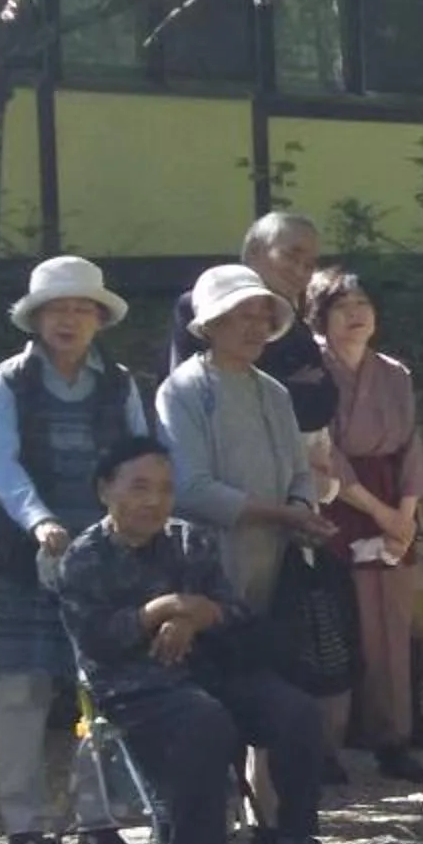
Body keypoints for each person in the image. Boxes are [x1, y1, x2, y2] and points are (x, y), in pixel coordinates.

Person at [56, 437, 331, 844]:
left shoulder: (189, 540)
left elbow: (237, 611)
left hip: (211, 671)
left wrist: (199, 615)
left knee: (296, 711)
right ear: (105, 489)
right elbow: (97, 639)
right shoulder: (85, 558)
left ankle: (296, 841)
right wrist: (160, 609)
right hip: (134, 685)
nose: (154, 500)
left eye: (165, 489)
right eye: (140, 487)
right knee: (204, 719)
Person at [0, 257, 151, 844]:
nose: (68, 320)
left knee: (100, 686)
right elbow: (3, 465)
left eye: (80, 309)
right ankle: (22, 824)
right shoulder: (9, 381)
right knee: (22, 689)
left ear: (98, 318)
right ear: (36, 319)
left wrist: (132, 523)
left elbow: (141, 458)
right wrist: (40, 521)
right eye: (56, 309)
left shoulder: (120, 383)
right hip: (28, 553)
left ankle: (99, 819)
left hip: (104, 554)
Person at [307, 269, 423, 784]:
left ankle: (392, 737)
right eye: (342, 307)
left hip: (392, 493)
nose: (356, 315)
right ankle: (325, 743)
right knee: (336, 621)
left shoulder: (394, 373)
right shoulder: (310, 372)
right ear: (320, 317)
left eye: (363, 304)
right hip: (336, 500)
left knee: (391, 622)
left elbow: (411, 445)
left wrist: (405, 511)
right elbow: (322, 450)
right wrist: (378, 511)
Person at [158, 264, 334, 620]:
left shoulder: (274, 393)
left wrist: (301, 511)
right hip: (208, 562)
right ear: (212, 324)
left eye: (263, 318)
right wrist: (282, 515)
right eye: (244, 316)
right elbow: (190, 488)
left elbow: (299, 473)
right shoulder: (182, 391)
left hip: (275, 561)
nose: (257, 328)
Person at [168, 210, 339, 437]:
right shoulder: (202, 306)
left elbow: (321, 407)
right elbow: (202, 398)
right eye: (291, 256)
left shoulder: (295, 323)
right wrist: (288, 387)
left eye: (309, 265)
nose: (300, 271)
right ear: (255, 251)